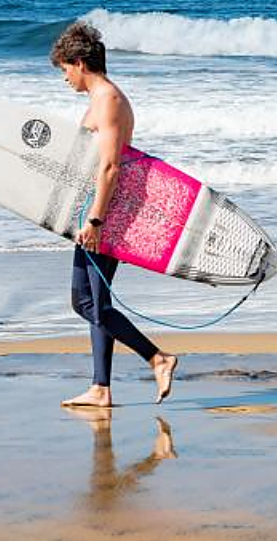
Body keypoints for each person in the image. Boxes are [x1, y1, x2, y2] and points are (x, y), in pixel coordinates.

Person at [50, 20, 179, 408]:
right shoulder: (101, 99)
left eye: (65, 69)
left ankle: (157, 358)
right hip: (96, 210)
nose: (65, 78)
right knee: (89, 300)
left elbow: (110, 166)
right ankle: (101, 388)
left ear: (79, 63)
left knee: (90, 302)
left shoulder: (108, 100)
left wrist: (95, 220)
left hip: (105, 214)